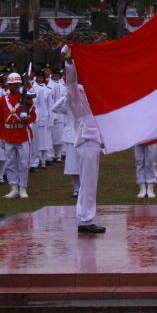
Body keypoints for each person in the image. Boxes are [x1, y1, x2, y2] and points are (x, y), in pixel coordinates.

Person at [61, 44, 106, 234]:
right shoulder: (76, 94)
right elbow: (71, 83)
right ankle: (86, 220)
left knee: (89, 182)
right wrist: (70, 62)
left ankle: (85, 217)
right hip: (86, 141)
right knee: (88, 182)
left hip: (94, 141)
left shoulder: (91, 92)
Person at [0, 72, 36, 199]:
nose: (12, 87)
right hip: (8, 134)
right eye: (10, 84)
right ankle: (13, 187)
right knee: (10, 162)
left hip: (22, 133)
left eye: (15, 84)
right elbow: (0, 119)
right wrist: (0, 136)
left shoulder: (26, 97)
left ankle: (23, 187)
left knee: (23, 163)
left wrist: (27, 118)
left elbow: (33, 115)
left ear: (19, 84)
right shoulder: (3, 99)